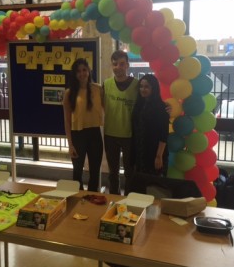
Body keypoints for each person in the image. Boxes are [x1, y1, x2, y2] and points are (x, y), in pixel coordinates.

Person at [63, 58, 104, 191]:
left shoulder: (98, 89)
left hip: (94, 134)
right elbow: (67, 121)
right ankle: (77, 199)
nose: (82, 73)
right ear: (75, 74)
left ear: (89, 71)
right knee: (77, 173)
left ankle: (92, 200)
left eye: (84, 70)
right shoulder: (69, 93)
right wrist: (70, 144)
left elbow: (111, 106)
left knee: (94, 172)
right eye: (78, 71)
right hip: (77, 136)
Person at [103, 50, 139, 195]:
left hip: (129, 135)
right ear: (112, 66)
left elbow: (149, 100)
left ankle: (129, 199)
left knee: (130, 172)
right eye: (115, 64)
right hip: (110, 134)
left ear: (127, 65)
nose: (118, 67)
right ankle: (114, 200)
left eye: (122, 64)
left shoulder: (137, 85)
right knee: (113, 173)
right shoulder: (106, 84)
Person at [131, 74, 170, 176]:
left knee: (154, 186)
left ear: (154, 88)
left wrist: (159, 156)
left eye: (147, 86)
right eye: (141, 86)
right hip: (140, 152)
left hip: (154, 153)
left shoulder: (161, 107)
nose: (143, 89)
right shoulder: (139, 105)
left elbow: (164, 134)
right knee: (141, 185)